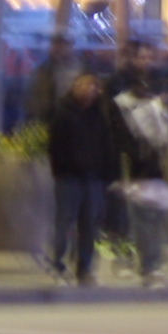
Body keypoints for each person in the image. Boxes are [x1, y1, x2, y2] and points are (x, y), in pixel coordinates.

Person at [46, 70, 120, 285]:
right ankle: (58, 266)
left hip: (92, 179)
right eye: (84, 86)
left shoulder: (99, 116)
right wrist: (61, 170)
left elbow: (107, 147)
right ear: (74, 88)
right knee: (64, 222)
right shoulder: (63, 114)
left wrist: (107, 174)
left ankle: (84, 269)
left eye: (93, 87)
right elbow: (55, 147)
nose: (89, 91)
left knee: (89, 226)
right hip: (68, 178)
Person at [111, 69, 168, 287]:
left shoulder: (154, 107)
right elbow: (124, 142)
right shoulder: (121, 107)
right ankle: (146, 265)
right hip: (135, 170)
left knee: (154, 219)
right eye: (141, 85)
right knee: (141, 220)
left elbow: (164, 139)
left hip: (154, 170)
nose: (146, 90)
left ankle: (151, 264)